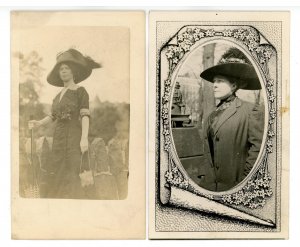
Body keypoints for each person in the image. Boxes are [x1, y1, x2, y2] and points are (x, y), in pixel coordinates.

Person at [28, 48, 101, 198]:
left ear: (73, 71)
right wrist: (39, 123)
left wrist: (84, 138)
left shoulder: (81, 91)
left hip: (74, 136)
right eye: (61, 69)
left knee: (73, 169)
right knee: (57, 169)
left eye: (67, 68)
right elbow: (53, 116)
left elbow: (85, 116)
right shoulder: (57, 96)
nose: (64, 71)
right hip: (59, 137)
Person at [198, 47, 264, 192]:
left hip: (237, 187)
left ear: (234, 85)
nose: (214, 85)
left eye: (220, 81)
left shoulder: (251, 110)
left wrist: (244, 182)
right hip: (211, 189)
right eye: (214, 81)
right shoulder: (211, 116)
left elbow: (258, 151)